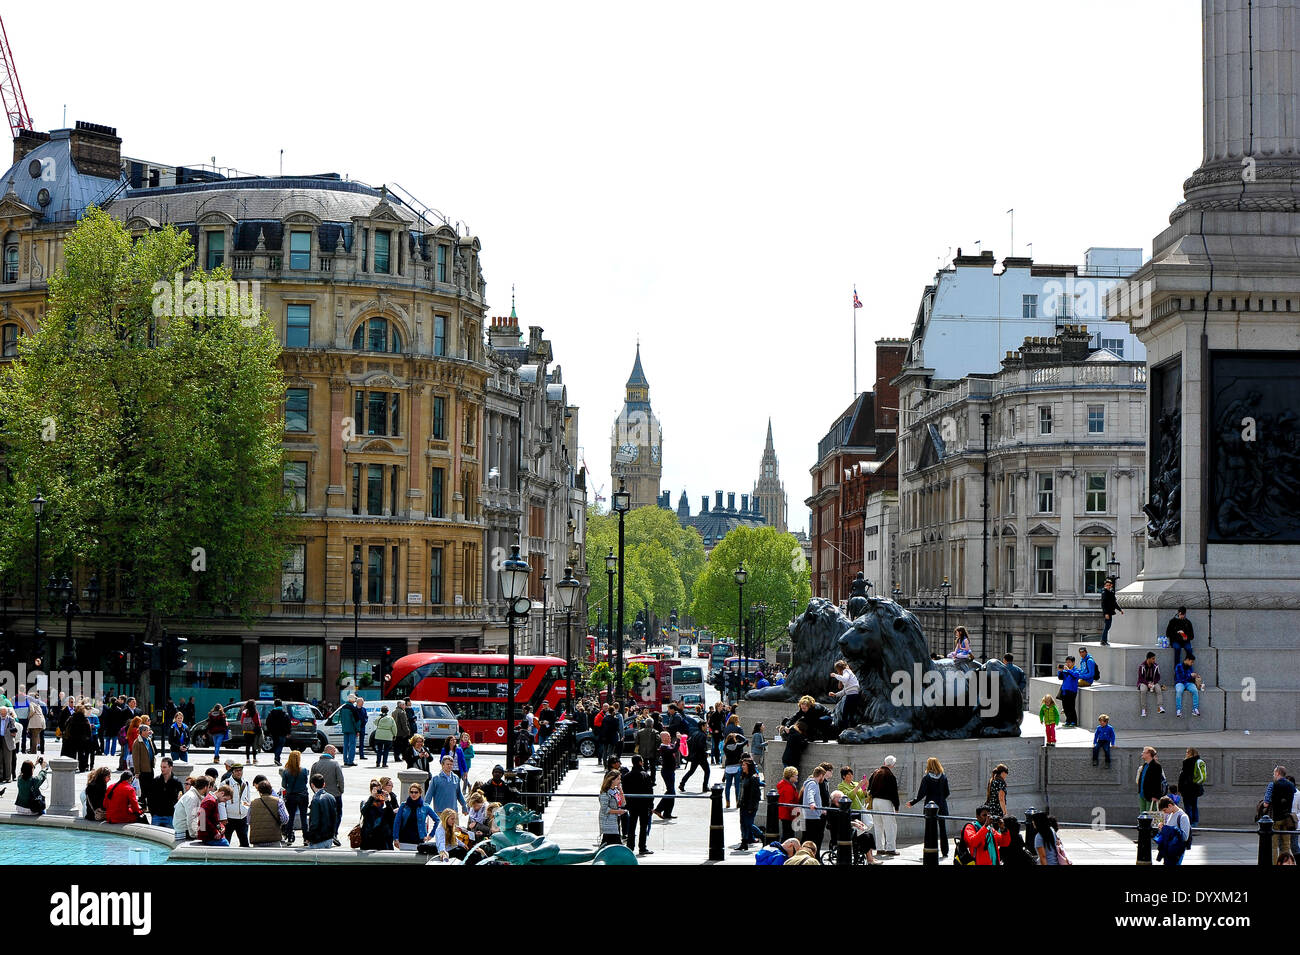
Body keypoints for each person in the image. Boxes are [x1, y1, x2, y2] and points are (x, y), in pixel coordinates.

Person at [907, 756, 951, 857]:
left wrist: (912, 802)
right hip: (941, 805)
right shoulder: (943, 777)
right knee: (943, 829)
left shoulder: (926, 778)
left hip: (930, 806)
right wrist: (941, 799)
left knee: (930, 829)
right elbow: (947, 792)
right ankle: (945, 851)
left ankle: (931, 849)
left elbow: (921, 793)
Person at [777, 695, 833, 767]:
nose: (803, 709)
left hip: (826, 717)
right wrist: (787, 726)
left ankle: (823, 737)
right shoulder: (802, 709)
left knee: (813, 722)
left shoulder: (815, 708)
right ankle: (812, 736)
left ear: (809, 706)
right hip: (814, 718)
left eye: (804, 708)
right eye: (802, 708)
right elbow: (795, 717)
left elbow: (812, 722)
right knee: (803, 721)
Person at [309, 745, 346, 844]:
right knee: (337, 814)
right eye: (334, 751)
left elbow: (311, 780)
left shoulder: (315, 765)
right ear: (329, 751)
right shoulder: (335, 764)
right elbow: (340, 779)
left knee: (321, 815)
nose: (335, 753)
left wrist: (316, 792)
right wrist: (340, 791)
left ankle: (325, 833)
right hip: (335, 795)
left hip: (320, 795)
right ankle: (334, 833)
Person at [1263, 765, 1298, 864]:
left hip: (1275, 819)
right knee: (1286, 845)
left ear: (1277, 773)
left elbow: (1266, 803)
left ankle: (1275, 863)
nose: (1273, 775)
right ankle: (1285, 863)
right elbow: (1294, 792)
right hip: (1287, 819)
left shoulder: (1272, 784)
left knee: (1273, 846)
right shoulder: (1291, 785)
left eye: (1274, 773)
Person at [622, 753, 655, 855]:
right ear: (640, 762)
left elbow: (625, 791)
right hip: (644, 804)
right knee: (643, 826)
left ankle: (630, 847)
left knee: (632, 826)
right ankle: (642, 847)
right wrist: (651, 805)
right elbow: (650, 791)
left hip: (632, 804)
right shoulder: (645, 775)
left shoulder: (627, 776)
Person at [868, 756, 901, 855]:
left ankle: (879, 848)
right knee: (890, 825)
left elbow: (869, 786)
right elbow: (894, 793)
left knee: (878, 825)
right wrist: (897, 806)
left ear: (884, 762)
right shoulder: (890, 775)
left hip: (875, 801)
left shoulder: (876, 772)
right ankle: (890, 848)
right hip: (885, 802)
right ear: (893, 765)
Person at [393, 781, 436, 849]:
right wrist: (395, 838)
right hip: (404, 838)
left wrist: (431, 835)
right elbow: (397, 822)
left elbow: (437, 820)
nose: (413, 794)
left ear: (420, 793)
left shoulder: (425, 807)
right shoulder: (403, 805)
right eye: (411, 792)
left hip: (419, 839)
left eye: (416, 792)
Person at [280, 750, 310, 845]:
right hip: (302, 795)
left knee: (291, 817)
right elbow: (305, 782)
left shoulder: (286, 771)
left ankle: (289, 837)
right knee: (303, 817)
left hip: (291, 796)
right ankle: (305, 838)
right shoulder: (304, 770)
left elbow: (284, 785)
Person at [248, 779, 288, 847]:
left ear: (259, 791)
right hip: (274, 839)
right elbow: (285, 819)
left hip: (257, 840)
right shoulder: (278, 802)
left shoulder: (253, 803)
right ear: (271, 790)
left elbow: (248, 821)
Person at [1154, 795, 1192, 865]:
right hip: (1168, 849)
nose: (1165, 813)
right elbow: (1168, 832)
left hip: (1177, 850)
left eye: (1165, 810)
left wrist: (1167, 829)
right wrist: (1162, 828)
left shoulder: (1183, 817)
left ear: (1170, 805)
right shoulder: (1169, 815)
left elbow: (1185, 837)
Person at [148, 757, 183, 829]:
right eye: (161, 767)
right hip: (156, 816)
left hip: (170, 816)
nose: (162, 769)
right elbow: (150, 798)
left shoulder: (177, 782)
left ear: (170, 768)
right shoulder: (156, 781)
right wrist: (153, 813)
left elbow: (181, 799)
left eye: (164, 767)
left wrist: (174, 814)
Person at [736, 757, 763, 851]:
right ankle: (744, 843)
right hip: (743, 804)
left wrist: (751, 807)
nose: (742, 767)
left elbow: (754, 794)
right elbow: (741, 791)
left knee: (749, 824)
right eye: (742, 765)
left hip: (750, 805)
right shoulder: (744, 776)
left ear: (749, 766)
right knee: (743, 824)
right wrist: (739, 801)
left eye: (744, 765)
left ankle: (762, 836)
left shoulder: (754, 777)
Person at [306, 772, 338, 849]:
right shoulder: (331, 797)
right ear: (324, 784)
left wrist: (309, 837)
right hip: (329, 837)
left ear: (312, 785)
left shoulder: (316, 800)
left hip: (318, 839)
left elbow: (314, 822)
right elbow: (335, 817)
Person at [224, 763, 252, 847]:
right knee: (225, 842)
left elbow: (247, 799)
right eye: (236, 771)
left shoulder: (245, 783)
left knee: (245, 844)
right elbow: (221, 803)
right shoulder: (226, 783)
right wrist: (223, 817)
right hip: (229, 818)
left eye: (240, 770)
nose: (239, 773)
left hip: (242, 817)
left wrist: (246, 811)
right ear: (232, 772)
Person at [801, 765, 827, 850]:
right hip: (812, 817)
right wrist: (812, 803)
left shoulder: (811, 783)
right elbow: (810, 794)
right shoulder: (813, 784)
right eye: (823, 776)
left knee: (807, 838)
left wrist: (820, 810)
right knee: (812, 840)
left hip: (810, 815)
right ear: (821, 775)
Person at [598, 770, 627, 846]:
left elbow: (623, 803)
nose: (619, 781)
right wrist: (618, 812)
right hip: (608, 820)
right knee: (614, 841)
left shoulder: (616, 791)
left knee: (608, 841)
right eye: (618, 779)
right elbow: (605, 809)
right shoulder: (605, 792)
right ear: (612, 780)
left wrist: (621, 790)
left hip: (615, 820)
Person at [131, 723, 157, 808]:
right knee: (143, 789)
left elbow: (154, 751)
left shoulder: (149, 740)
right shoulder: (137, 742)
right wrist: (137, 772)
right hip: (143, 770)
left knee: (150, 789)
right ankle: (143, 805)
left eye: (148, 730)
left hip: (150, 767)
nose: (148, 731)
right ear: (141, 732)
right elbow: (135, 758)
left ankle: (149, 805)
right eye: (146, 730)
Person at [1178, 747, 1206, 826]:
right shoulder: (1197, 761)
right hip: (1194, 788)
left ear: (1191, 753)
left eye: (1187, 752)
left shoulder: (1188, 762)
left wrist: (1181, 788)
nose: (1186, 754)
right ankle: (1195, 822)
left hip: (1187, 788)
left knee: (1188, 806)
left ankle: (1189, 823)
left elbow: (1183, 777)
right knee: (1194, 805)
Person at [653, 731, 678, 820]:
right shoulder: (663, 747)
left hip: (671, 771)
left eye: (670, 736)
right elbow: (673, 750)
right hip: (667, 772)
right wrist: (678, 740)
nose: (670, 738)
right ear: (663, 738)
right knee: (671, 792)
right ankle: (658, 809)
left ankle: (667, 813)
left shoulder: (669, 745)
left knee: (672, 792)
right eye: (668, 736)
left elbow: (674, 748)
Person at [829, 659, 861, 724]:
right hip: (853, 695)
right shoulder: (849, 676)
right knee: (851, 714)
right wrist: (835, 694)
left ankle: (845, 728)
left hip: (852, 696)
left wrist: (835, 675)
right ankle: (852, 727)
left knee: (845, 714)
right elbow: (845, 691)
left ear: (839, 668)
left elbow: (844, 679)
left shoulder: (847, 671)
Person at [175, 776, 206, 840]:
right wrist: (195, 835)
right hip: (185, 832)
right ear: (205, 787)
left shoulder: (193, 795)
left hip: (185, 831)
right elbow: (191, 818)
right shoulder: (192, 797)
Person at [1137, 651, 1164, 717]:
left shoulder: (1156, 666)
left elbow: (1158, 676)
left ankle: (1160, 707)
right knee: (1143, 690)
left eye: (1154, 658)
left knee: (1158, 689)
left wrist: (1153, 683)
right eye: (1153, 658)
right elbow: (1141, 678)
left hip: (1153, 682)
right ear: (1148, 659)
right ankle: (1143, 710)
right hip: (1143, 682)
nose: (1154, 660)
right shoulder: (1142, 666)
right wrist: (1147, 684)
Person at [722, 731, 745, 808]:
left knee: (727, 786)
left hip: (728, 768)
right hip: (737, 767)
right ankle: (737, 802)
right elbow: (746, 740)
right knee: (737, 786)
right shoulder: (738, 746)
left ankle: (727, 802)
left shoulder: (725, 747)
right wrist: (738, 735)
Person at [776, 766, 800, 841]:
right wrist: (796, 813)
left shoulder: (787, 785)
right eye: (796, 775)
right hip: (788, 815)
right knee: (788, 835)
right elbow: (789, 803)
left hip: (786, 814)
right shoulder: (788, 788)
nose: (797, 777)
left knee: (787, 834)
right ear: (791, 777)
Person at [264, 699, 291, 766]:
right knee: (280, 745)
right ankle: (277, 758)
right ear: (281, 705)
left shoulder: (271, 714)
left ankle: (276, 758)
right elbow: (288, 724)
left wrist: (270, 731)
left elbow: (268, 723)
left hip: (274, 733)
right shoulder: (284, 714)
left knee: (276, 745)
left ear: (274, 705)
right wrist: (288, 732)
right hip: (282, 733)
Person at [1056, 655, 1080, 727]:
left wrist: (1069, 670)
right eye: (1066, 662)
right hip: (1064, 691)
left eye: (1069, 662)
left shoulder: (1076, 669)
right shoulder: (1065, 671)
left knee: (1071, 706)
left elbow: (1076, 675)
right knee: (1065, 707)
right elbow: (1060, 678)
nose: (1067, 664)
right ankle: (1068, 720)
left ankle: (1074, 721)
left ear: (1073, 662)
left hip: (1072, 691)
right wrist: (1060, 671)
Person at [1174, 653, 1200, 718]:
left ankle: (1195, 709)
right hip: (1180, 683)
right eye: (1191, 662)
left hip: (1188, 683)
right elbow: (1180, 678)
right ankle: (1178, 710)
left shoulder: (1190, 667)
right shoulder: (1178, 666)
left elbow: (1190, 678)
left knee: (1195, 690)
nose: (1192, 663)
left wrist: (1195, 677)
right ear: (1187, 660)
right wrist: (1190, 675)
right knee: (1179, 691)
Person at [1138, 746, 1164, 812]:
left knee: (1150, 817)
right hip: (1142, 794)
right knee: (1142, 816)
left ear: (1149, 754)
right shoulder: (1145, 765)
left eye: (1143, 752)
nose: (1142, 754)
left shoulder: (1157, 766)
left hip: (1151, 796)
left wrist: (1156, 796)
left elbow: (1158, 782)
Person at [236, 700, 261, 765]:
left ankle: (247, 760)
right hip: (253, 731)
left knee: (247, 745)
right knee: (254, 745)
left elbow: (241, 721)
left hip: (246, 731)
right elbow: (257, 722)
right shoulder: (255, 712)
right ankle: (254, 759)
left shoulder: (244, 712)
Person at [1100, 576, 1122, 645]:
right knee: (1107, 626)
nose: (1108, 586)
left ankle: (1104, 640)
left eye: (1109, 585)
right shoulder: (1104, 593)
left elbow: (1114, 603)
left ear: (1111, 585)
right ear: (1105, 586)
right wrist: (1106, 613)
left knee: (1108, 626)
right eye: (1107, 585)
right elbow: (1103, 604)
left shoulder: (1111, 592)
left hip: (1110, 611)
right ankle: (1103, 640)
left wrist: (1120, 609)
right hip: (1107, 612)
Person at [391, 700, 412, 765]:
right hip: (402, 733)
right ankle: (404, 757)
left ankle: (396, 757)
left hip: (395, 732)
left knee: (396, 746)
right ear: (401, 705)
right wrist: (408, 731)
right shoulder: (402, 712)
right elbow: (404, 723)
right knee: (404, 746)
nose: (405, 706)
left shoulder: (393, 712)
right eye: (404, 705)